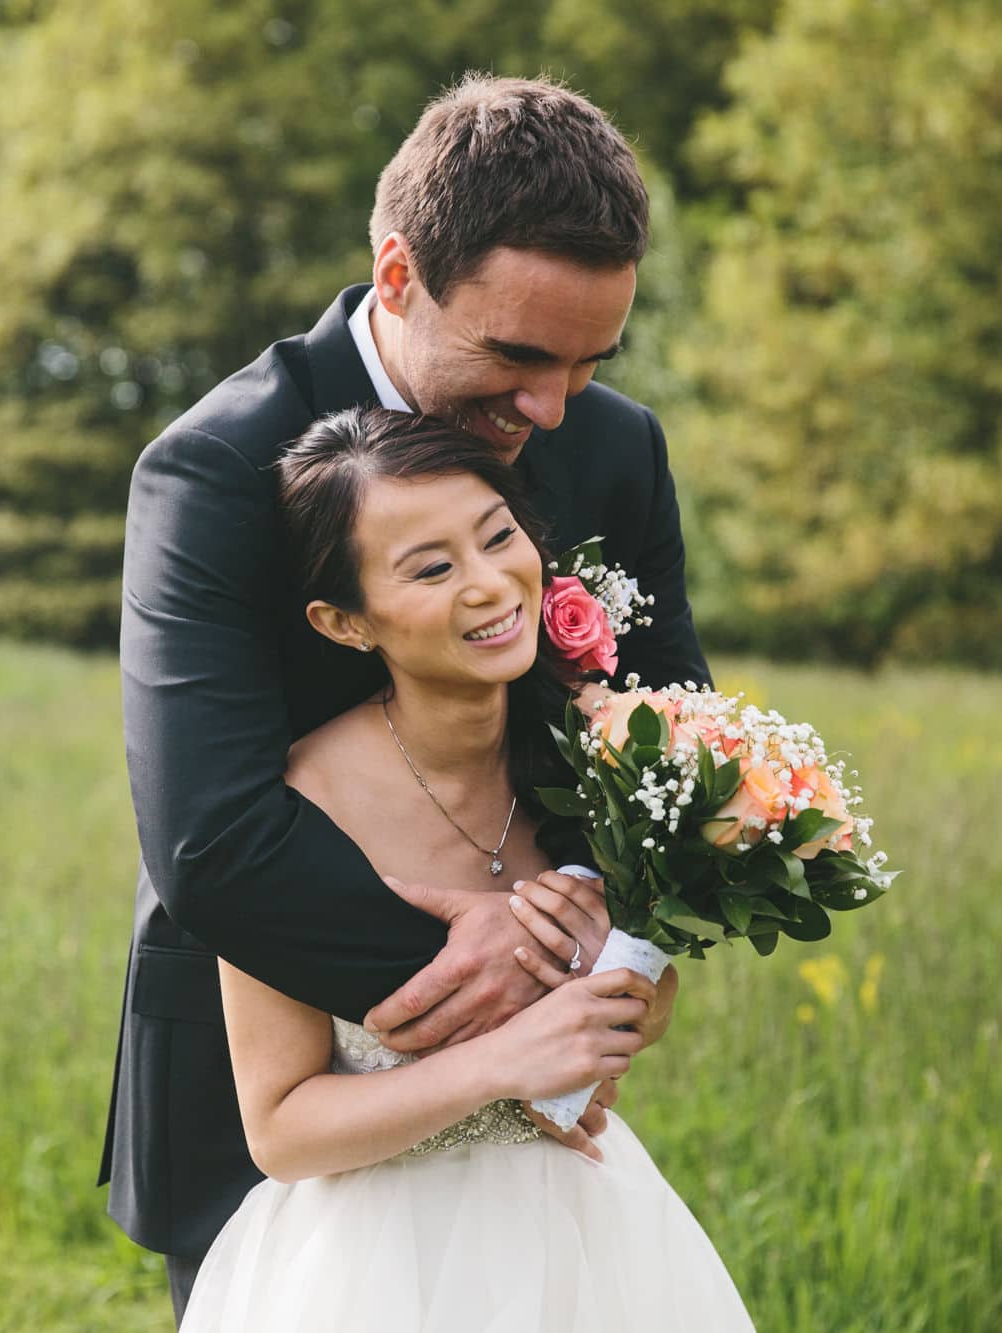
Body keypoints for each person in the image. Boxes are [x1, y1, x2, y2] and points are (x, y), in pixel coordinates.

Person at [102, 74, 712, 1322]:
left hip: (549, 1121)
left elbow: (680, 738)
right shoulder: (214, 469)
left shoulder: (614, 447)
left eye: (591, 361)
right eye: (516, 355)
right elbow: (212, 837)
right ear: (396, 275)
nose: (548, 412)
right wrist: (480, 989)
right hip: (282, 1059)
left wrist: (594, 921)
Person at [176, 408, 752, 1329]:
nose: (489, 584)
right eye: (433, 568)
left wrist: (638, 1000)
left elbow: (625, 1001)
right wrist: (502, 1061)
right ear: (344, 620)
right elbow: (279, 1127)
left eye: (499, 538)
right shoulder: (290, 809)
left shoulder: (600, 761)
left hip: (586, 1234)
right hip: (373, 1264)